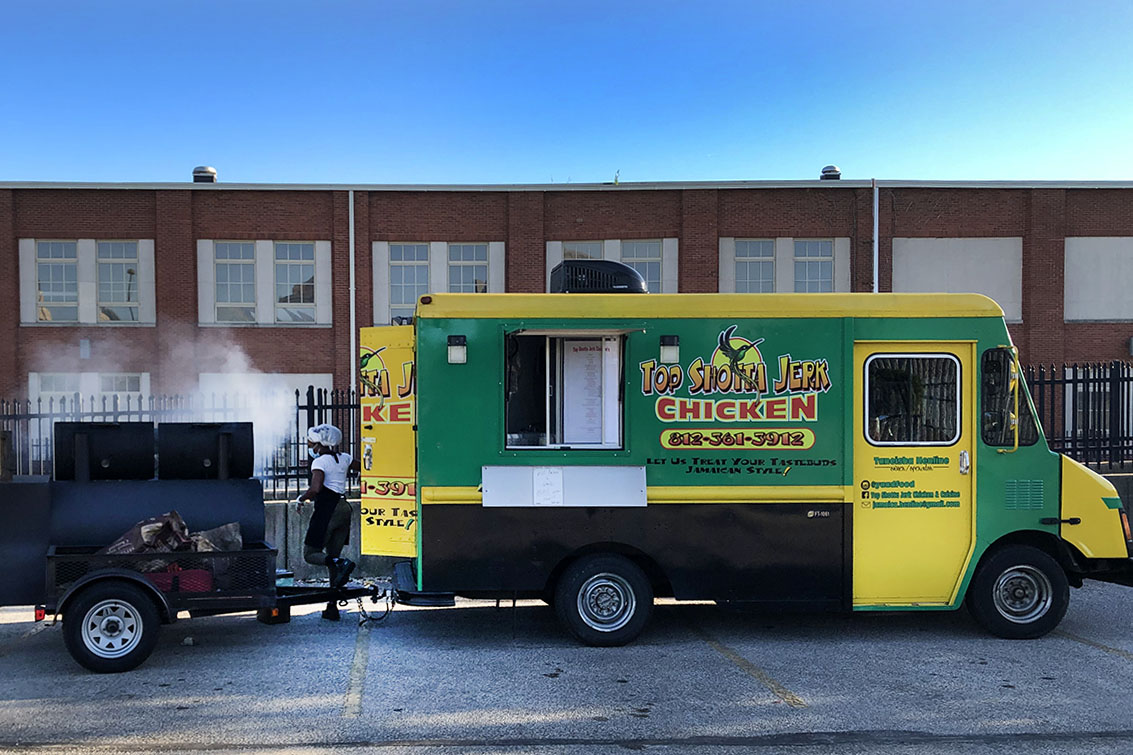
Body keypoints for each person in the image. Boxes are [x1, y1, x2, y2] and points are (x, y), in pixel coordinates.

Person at [298, 423, 360, 621]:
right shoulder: (344, 458)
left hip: (327, 510)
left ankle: (341, 563)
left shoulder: (319, 463)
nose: (308, 444)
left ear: (318, 444)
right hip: (344, 508)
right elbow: (365, 466)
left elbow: (316, 488)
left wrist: (301, 499)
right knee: (333, 560)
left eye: (310, 441)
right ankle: (332, 607)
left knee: (310, 554)